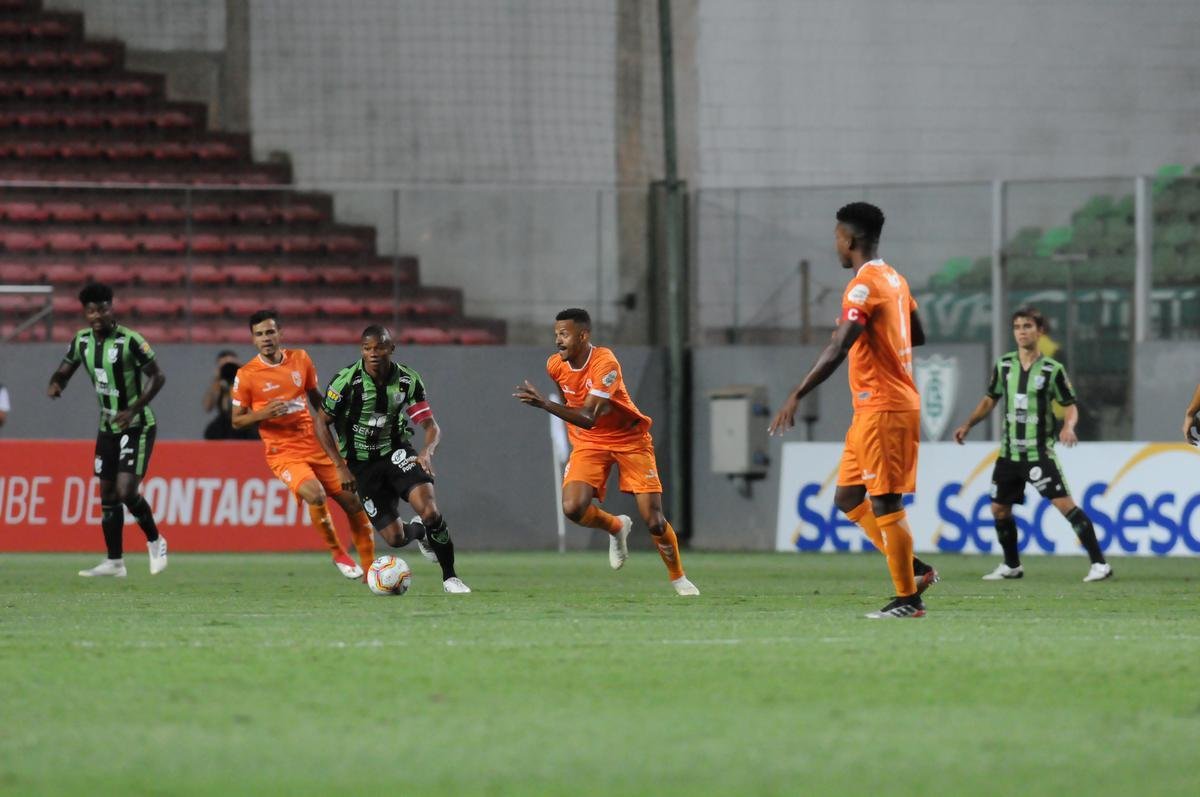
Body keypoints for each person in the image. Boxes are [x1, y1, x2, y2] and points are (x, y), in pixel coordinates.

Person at [769, 203, 937, 619]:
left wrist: (797, 393)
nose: (835, 246)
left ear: (850, 239)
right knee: (848, 497)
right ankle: (914, 569)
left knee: (885, 501)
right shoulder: (895, 279)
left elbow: (839, 346)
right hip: (870, 409)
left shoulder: (863, 287)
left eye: (837, 238)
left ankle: (908, 599)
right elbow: (918, 333)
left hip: (884, 406)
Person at [514, 308, 699, 596]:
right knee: (573, 508)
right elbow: (570, 401)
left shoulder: (605, 363)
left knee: (653, 519)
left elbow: (588, 415)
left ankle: (678, 578)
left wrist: (545, 405)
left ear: (583, 335)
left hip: (629, 439)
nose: (558, 340)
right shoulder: (555, 365)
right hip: (589, 442)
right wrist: (571, 430)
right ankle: (615, 527)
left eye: (564, 334)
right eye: (556, 335)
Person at [953, 307, 1112, 582]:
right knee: (998, 509)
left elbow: (1070, 405)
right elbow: (989, 400)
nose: (1021, 331)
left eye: (1027, 326)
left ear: (1040, 331)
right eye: (1017, 327)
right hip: (1009, 454)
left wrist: (1068, 426)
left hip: (1038, 453)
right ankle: (1012, 565)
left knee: (1064, 505)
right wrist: (968, 424)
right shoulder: (1004, 365)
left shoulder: (1052, 369)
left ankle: (1100, 564)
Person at [316, 325, 471, 593]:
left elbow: (431, 425)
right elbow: (321, 423)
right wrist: (340, 467)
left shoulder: (407, 381)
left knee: (430, 510)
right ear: (361, 351)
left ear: (391, 349)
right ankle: (419, 532)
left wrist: (426, 451)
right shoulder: (345, 382)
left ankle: (450, 577)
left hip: (396, 450)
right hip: (361, 464)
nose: (373, 353)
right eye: (367, 348)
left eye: (379, 347)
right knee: (395, 538)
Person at [230, 310, 374, 580]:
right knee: (315, 494)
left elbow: (316, 398)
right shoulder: (247, 375)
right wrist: (263, 414)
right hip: (283, 452)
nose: (266, 338)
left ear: (280, 333)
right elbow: (237, 421)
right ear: (253, 340)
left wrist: (339, 424)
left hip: (315, 443)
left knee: (355, 503)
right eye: (259, 334)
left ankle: (370, 570)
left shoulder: (301, 359)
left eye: (270, 332)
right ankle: (338, 553)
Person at [46, 282, 168, 577]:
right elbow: (64, 369)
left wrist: (133, 409)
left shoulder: (130, 340)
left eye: (103, 308)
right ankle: (115, 562)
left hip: (137, 425)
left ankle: (156, 540)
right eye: (91, 310)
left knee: (127, 490)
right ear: (85, 313)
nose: (98, 314)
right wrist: (57, 383)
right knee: (108, 495)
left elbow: (158, 377)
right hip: (107, 428)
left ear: (111, 307)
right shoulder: (82, 342)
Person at [203, 349, 257, 440]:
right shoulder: (220, 385)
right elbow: (207, 407)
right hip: (224, 425)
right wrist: (216, 380)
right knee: (211, 432)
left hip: (245, 423)